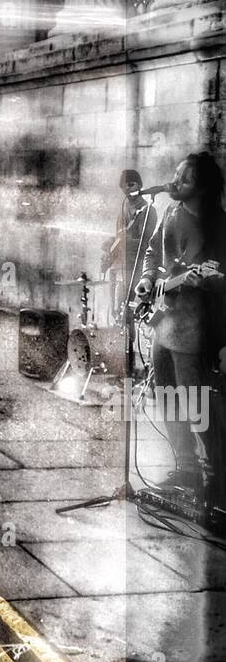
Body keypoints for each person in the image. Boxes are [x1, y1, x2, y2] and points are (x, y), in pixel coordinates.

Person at [135, 151, 226, 489]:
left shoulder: (218, 225)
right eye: (176, 175)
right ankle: (185, 467)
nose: (175, 182)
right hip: (165, 321)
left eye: (184, 179)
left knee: (197, 401)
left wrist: (208, 281)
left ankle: (216, 474)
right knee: (167, 395)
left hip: (194, 329)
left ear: (201, 188)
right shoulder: (171, 212)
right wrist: (147, 280)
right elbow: (152, 254)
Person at [101, 169, 158, 321]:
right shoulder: (123, 209)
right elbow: (120, 236)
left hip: (134, 267)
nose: (127, 189)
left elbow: (148, 244)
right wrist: (110, 244)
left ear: (140, 186)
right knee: (114, 310)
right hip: (117, 266)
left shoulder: (148, 211)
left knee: (126, 311)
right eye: (123, 186)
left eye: (131, 184)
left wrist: (127, 242)